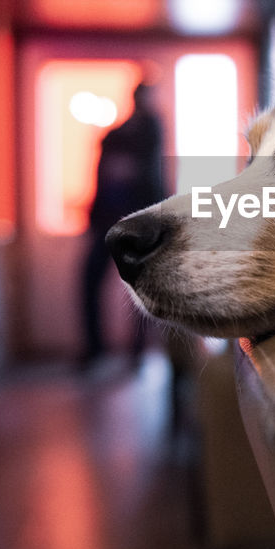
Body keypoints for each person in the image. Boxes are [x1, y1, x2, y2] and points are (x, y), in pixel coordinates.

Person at [79, 81, 165, 370]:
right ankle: (98, 350)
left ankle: (135, 352)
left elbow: (151, 175)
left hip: (134, 221)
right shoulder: (117, 135)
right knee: (93, 283)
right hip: (107, 221)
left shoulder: (151, 130)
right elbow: (102, 178)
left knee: (139, 288)